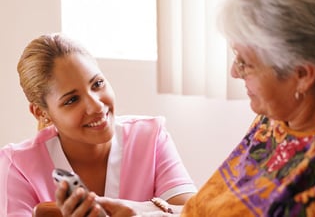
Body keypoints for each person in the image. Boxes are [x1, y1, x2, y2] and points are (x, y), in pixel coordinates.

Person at [56, 0, 315, 216]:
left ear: (302, 75)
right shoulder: (282, 116)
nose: (235, 72)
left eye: (245, 62)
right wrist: (143, 212)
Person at [0, 33, 197, 216]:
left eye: (97, 84)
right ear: (42, 113)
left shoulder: (150, 137)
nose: (96, 106)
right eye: (72, 100)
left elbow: (198, 212)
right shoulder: (17, 167)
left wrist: (138, 210)